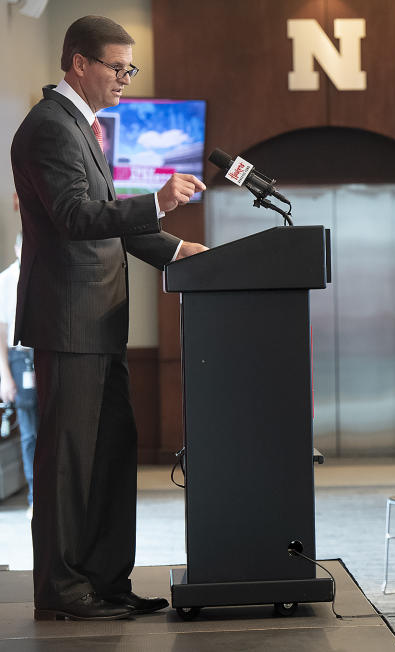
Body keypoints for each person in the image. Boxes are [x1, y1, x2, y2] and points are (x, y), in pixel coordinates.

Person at [11, 16, 207, 621]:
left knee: (112, 457)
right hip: (69, 327)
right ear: (78, 64)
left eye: (130, 68)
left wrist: (179, 252)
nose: (126, 78)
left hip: (99, 325)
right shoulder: (50, 127)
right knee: (70, 465)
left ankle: (105, 582)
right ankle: (64, 592)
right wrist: (157, 201)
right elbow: (76, 217)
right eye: (117, 67)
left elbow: (107, 222)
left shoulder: (84, 128)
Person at [0, 228, 38, 519]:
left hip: (46, 356)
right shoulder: (6, 281)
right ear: (17, 249)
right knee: (29, 433)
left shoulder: (45, 277)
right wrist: (5, 377)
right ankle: (34, 498)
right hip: (19, 357)